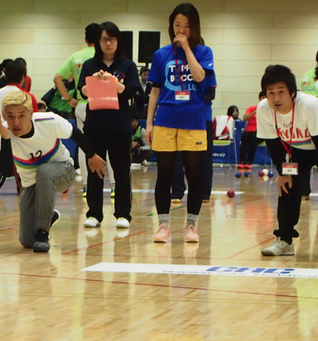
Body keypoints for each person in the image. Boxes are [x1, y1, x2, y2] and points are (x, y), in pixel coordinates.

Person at [0, 90, 106, 252]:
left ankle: (43, 232)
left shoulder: (49, 121)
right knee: (27, 241)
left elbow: (75, 133)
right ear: (3, 115)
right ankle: (49, 216)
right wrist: (6, 138)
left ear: (31, 114)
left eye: (21, 115)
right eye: (10, 116)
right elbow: (7, 171)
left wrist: (92, 156)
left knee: (44, 171)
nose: (16, 122)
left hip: (63, 170)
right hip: (31, 183)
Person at [256, 64, 318, 260]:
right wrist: (282, 173)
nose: (276, 98)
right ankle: (285, 239)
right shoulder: (264, 109)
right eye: (270, 93)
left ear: (292, 92)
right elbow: (273, 144)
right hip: (297, 145)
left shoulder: (308, 105)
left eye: (281, 92)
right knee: (288, 185)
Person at [145, 2, 215, 244]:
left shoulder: (204, 53)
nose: (181, 30)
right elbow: (154, 91)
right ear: (170, 26)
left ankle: (191, 226)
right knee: (164, 175)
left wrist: (186, 48)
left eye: (187, 26)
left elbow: (199, 76)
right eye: (177, 25)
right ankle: (163, 225)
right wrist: (149, 123)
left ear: (194, 27)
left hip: (194, 121)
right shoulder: (160, 54)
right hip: (165, 120)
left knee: (194, 176)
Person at [77, 21, 139, 229]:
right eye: (104, 39)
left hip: (119, 126)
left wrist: (114, 83)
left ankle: (123, 214)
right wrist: (92, 83)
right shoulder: (90, 65)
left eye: (111, 39)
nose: (108, 43)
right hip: (94, 125)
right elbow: (81, 91)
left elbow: (132, 92)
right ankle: (94, 213)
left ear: (118, 41)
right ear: (98, 42)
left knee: (121, 170)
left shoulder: (127, 65)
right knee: (95, 169)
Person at [54, 23, 102, 186]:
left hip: (81, 105)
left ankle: (87, 186)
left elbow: (57, 78)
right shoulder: (104, 56)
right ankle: (115, 187)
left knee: (84, 145)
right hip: (100, 105)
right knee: (109, 144)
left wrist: (69, 98)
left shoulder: (75, 57)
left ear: (85, 38)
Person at [238, 91, 263, 169]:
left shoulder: (268, 110)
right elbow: (244, 118)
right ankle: (242, 161)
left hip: (261, 132)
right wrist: (255, 112)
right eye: (262, 97)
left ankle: (249, 161)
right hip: (249, 131)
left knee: (254, 138)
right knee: (245, 136)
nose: (263, 99)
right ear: (259, 98)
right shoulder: (252, 108)